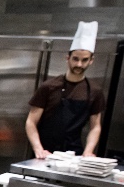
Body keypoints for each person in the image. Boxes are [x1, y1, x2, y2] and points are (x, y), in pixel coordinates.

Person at [25, 21, 105, 159]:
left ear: (91, 60)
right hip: (45, 153)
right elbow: (31, 122)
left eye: (84, 60)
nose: (79, 64)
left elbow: (95, 126)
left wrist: (88, 151)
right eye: (75, 59)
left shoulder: (95, 91)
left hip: (74, 154)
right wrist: (38, 149)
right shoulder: (48, 87)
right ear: (67, 58)